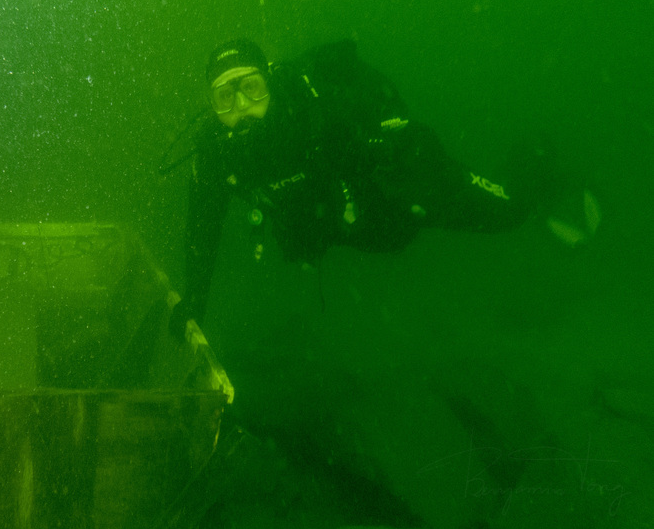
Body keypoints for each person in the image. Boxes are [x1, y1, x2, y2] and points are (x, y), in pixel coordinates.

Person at [167, 38, 598, 336]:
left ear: (269, 83)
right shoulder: (215, 152)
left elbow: (388, 124)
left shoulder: (308, 109)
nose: (242, 107)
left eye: (252, 88)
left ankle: (537, 160)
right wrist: (195, 298)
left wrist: (389, 152)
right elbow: (202, 225)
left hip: (390, 195)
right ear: (212, 106)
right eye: (225, 97)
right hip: (341, 224)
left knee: (507, 213)